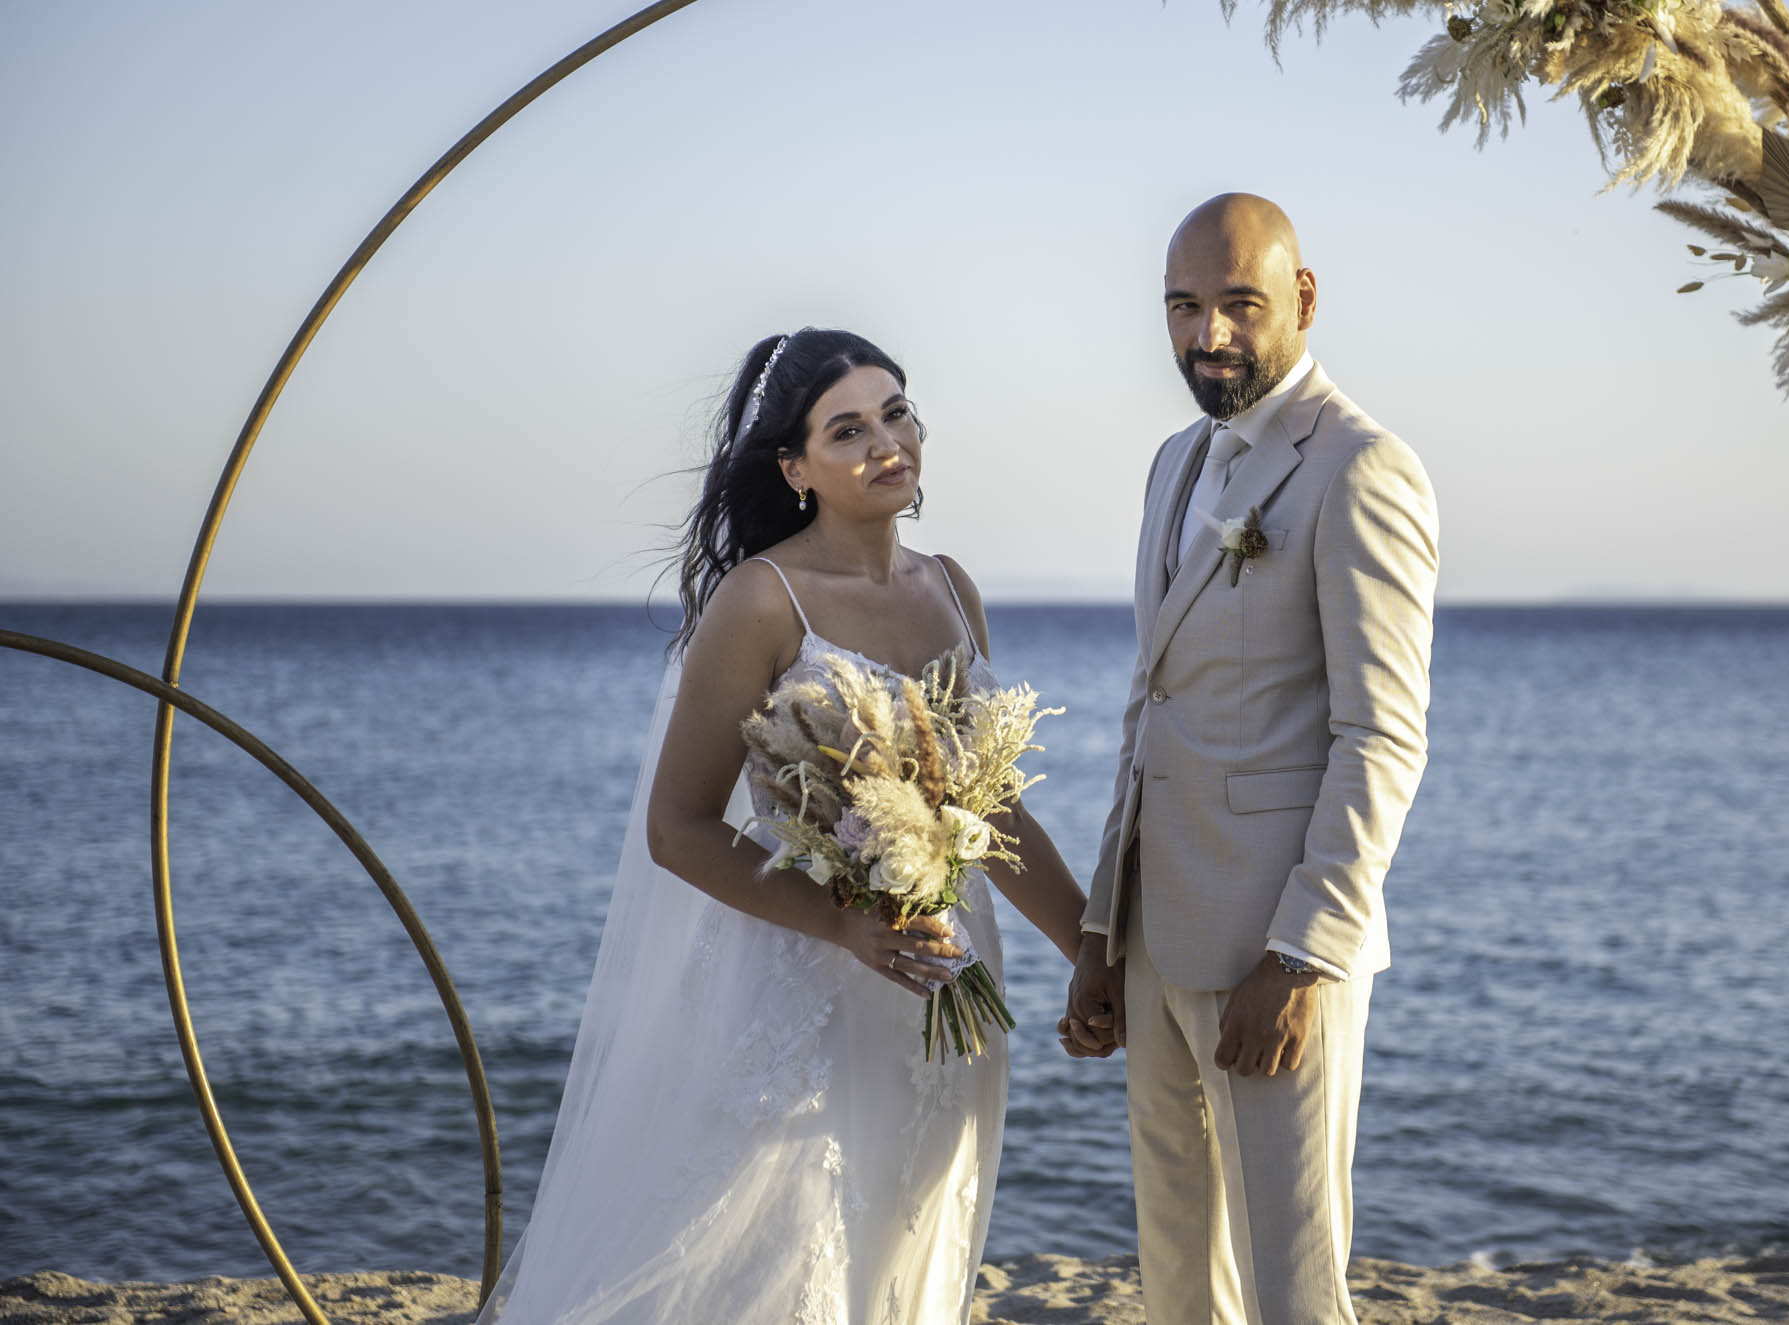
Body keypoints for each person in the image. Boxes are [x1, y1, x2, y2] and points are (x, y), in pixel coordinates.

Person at [479, 327, 1092, 1325]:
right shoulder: (763, 602)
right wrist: (851, 926)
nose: (885, 442)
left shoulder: (950, 586)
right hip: (810, 978)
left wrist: (1087, 949)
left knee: (909, 1238)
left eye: (896, 413)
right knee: (789, 1248)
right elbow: (677, 827)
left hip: (947, 966)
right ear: (795, 465)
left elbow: (988, 805)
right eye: (846, 429)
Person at [1060, 195, 1439, 1324]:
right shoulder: (1173, 463)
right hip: (1155, 934)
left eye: (1238, 304)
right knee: (1178, 1268)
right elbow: (1152, 701)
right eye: (1183, 306)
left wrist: (1302, 955)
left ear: (1303, 299)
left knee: (1292, 1283)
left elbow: (1383, 735)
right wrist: (1098, 928)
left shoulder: (1362, 467)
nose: (1207, 334)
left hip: (1277, 954)